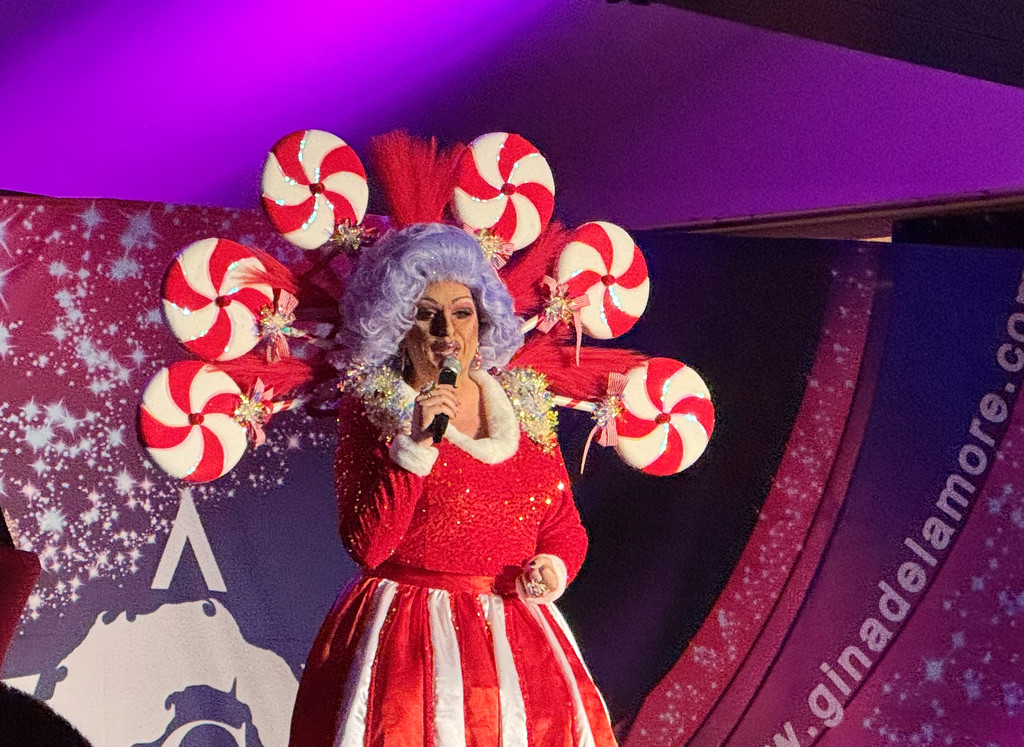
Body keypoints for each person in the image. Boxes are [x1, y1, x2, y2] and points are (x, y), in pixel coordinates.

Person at [288, 223, 617, 746]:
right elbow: (367, 546)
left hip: (520, 649)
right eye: (426, 313)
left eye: (462, 312)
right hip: (408, 643)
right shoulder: (374, 411)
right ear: (397, 325)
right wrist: (416, 448)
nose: (446, 330)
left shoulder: (522, 407)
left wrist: (550, 569)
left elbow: (562, 526)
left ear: (482, 321)